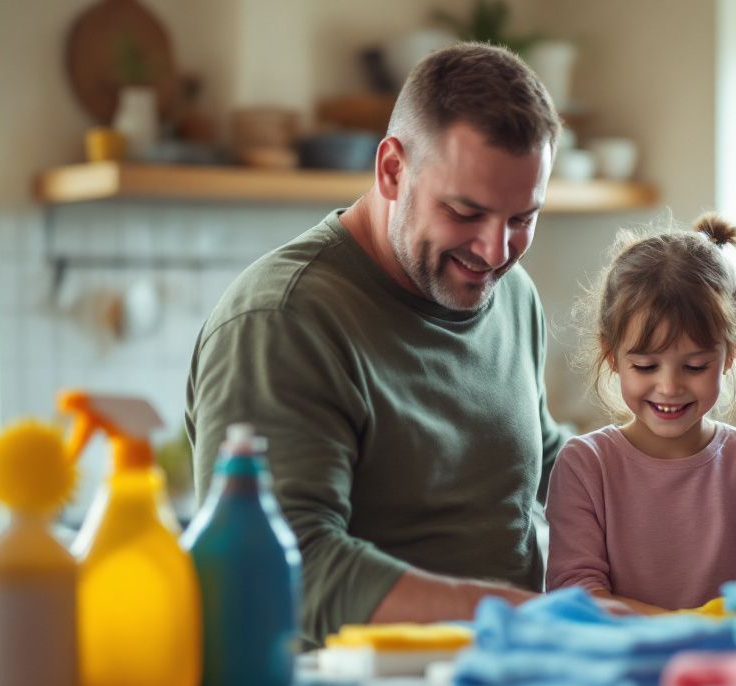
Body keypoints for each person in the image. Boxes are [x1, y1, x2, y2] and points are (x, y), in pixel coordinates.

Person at [185, 43, 572, 645]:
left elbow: (543, 464)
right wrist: (525, 619)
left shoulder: (511, 292)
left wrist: (700, 477)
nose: (496, 251)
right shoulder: (282, 321)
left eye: (523, 218)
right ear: (392, 169)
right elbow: (291, 566)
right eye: (465, 211)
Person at [545, 215, 736, 614]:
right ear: (612, 355)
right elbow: (578, 600)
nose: (670, 387)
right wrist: (689, 628)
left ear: (731, 354)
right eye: (645, 366)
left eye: (694, 367)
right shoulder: (585, 465)